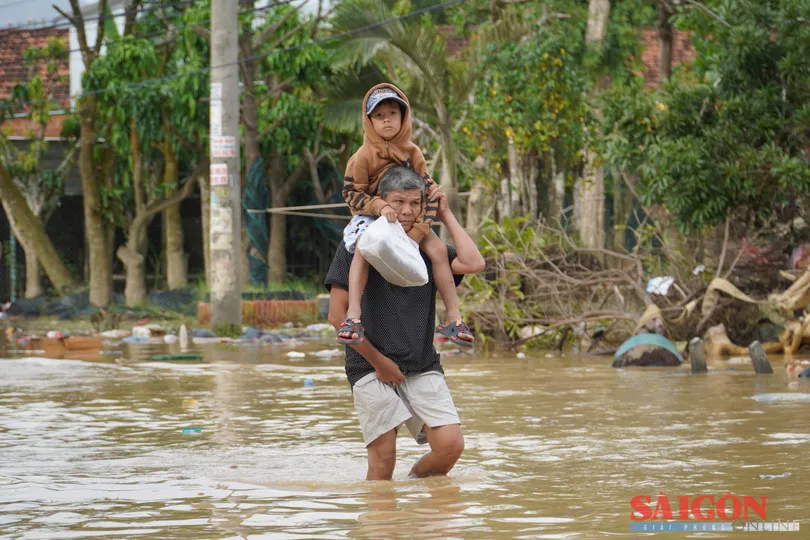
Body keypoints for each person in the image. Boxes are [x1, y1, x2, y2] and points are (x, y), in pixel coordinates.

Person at [325, 166, 486, 480]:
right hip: (369, 364)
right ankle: (386, 525)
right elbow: (336, 315)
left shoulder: (428, 250)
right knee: (384, 460)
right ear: (382, 202)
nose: (407, 211)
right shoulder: (356, 247)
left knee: (450, 445)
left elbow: (473, 262)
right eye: (399, 202)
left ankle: (414, 493)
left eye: (415, 203)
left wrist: (446, 214)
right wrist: (379, 362)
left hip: (421, 362)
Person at [337, 83, 474, 348]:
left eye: (393, 113)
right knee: (364, 250)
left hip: (413, 217)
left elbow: (427, 191)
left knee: (438, 253)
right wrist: (380, 208)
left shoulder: (413, 152)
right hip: (374, 216)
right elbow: (351, 194)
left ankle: (453, 320)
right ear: (369, 121)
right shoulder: (361, 157)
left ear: (404, 117)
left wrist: (417, 233)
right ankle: (353, 316)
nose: (387, 119)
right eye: (379, 115)